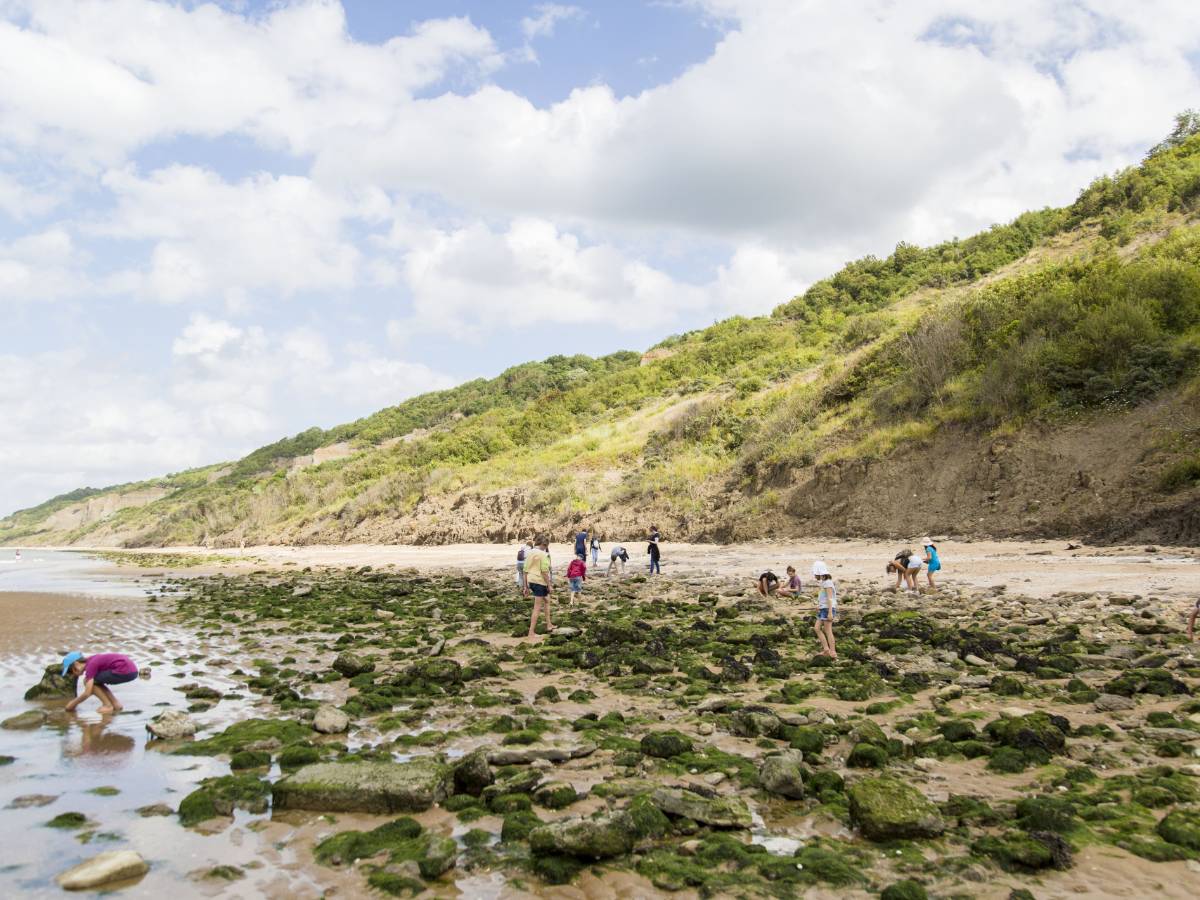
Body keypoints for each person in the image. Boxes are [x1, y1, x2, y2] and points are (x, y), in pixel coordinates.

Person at [62, 652, 138, 714]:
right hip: (132, 671)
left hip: (123, 670)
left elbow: (87, 693)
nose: (73, 674)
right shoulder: (92, 659)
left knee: (87, 681)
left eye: (70, 671)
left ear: (76, 664)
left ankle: (107, 705)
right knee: (96, 682)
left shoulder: (91, 665)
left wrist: (72, 704)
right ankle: (116, 704)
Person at [523, 536, 554, 639]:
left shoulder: (530, 553)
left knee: (547, 600)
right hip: (540, 582)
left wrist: (525, 587)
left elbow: (525, 570)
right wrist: (549, 585)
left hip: (531, 580)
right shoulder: (544, 555)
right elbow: (544, 572)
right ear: (544, 545)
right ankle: (531, 632)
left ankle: (549, 624)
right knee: (537, 608)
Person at [811, 561, 837, 658]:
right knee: (817, 628)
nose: (814, 575)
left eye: (815, 573)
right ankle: (826, 649)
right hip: (823, 609)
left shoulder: (828, 583)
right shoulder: (824, 583)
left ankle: (833, 652)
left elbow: (830, 599)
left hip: (827, 610)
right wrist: (819, 605)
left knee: (828, 630)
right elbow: (824, 597)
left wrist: (830, 612)